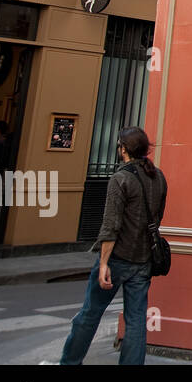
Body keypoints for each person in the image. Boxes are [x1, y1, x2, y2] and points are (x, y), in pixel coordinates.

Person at [60, 127, 167, 365]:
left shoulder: (121, 178)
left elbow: (111, 225)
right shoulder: (158, 176)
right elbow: (158, 217)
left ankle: (69, 362)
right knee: (137, 321)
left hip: (118, 257)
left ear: (124, 149)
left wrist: (104, 263)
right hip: (143, 259)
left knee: (89, 315)